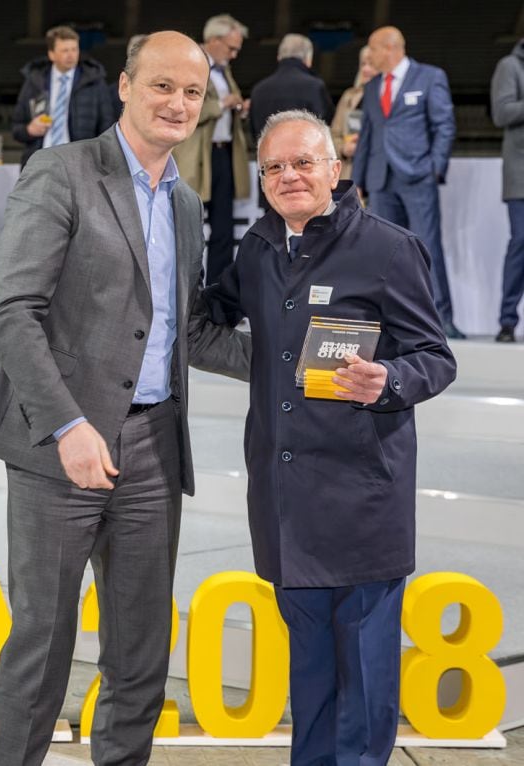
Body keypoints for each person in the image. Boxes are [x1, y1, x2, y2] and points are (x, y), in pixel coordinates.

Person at [0, 31, 251, 766]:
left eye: (192, 92)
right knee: (41, 642)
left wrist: (297, 364)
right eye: (162, 85)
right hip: (58, 445)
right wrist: (67, 423)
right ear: (126, 87)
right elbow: (13, 311)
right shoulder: (61, 171)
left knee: (139, 650)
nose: (178, 103)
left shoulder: (188, 205)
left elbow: (187, 332)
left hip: (155, 446)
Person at [205, 110, 456, 766]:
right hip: (288, 507)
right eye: (275, 168)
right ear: (261, 181)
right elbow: (215, 310)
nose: (290, 176)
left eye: (304, 163)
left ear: (334, 170)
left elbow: (437, 356)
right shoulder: (258, 248)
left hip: (363, 502)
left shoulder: (387, 248)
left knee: (366, 693)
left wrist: (389, 379)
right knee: (310, 684)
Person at [352, 26, 462, 338]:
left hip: (417, 177)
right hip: (381, 178)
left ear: (390, 48)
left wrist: (434, 168)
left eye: (372, 49)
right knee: (385, 251)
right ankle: (391, 321)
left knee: (426, 247)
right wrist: (358, 180)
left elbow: (444, 125)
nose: (369, 56)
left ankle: (441, 319)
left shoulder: (429, 77)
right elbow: (367, 137)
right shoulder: (372, 86)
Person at [173, 13, 251, 286]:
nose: (235, 54)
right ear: (213, 41)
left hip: (223, 153)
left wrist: (239, 109)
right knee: (187, 224)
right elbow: (181, 105)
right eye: (231, 47)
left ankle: (219, 289)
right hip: (196, 157)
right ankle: (184, 287)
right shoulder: (190, 65)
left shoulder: (223, 69)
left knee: (223, 227)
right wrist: (221, 106)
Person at [10, 24, 115, 167]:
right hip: (40, 162)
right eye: (65, 50)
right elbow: (16, 128)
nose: (71, 55)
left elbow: (107, 127)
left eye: (74, 49)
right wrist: (29, 130)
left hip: (80, 164)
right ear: (51, 54)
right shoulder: (34, 82)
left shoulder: (94, 82)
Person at [491, 38, 524, 343]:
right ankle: (507, 320)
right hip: (521, 175)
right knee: (521, 244)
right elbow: (502, 113)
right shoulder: (510, 66)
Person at [249, 34, 333, 146]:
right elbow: (324, 127)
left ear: (279, 57)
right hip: (303, 158)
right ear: (308, 59)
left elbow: (254, 133)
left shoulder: (258, 90)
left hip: (268, 159)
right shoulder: (314, 87)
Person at [330, 45, 376, 180]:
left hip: (378, 174)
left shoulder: (392, 98)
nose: (366, 69)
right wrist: (344, 149)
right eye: (363, 64)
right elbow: (334, 134)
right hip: (351, 173)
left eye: (371, 64)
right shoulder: (348, 96)